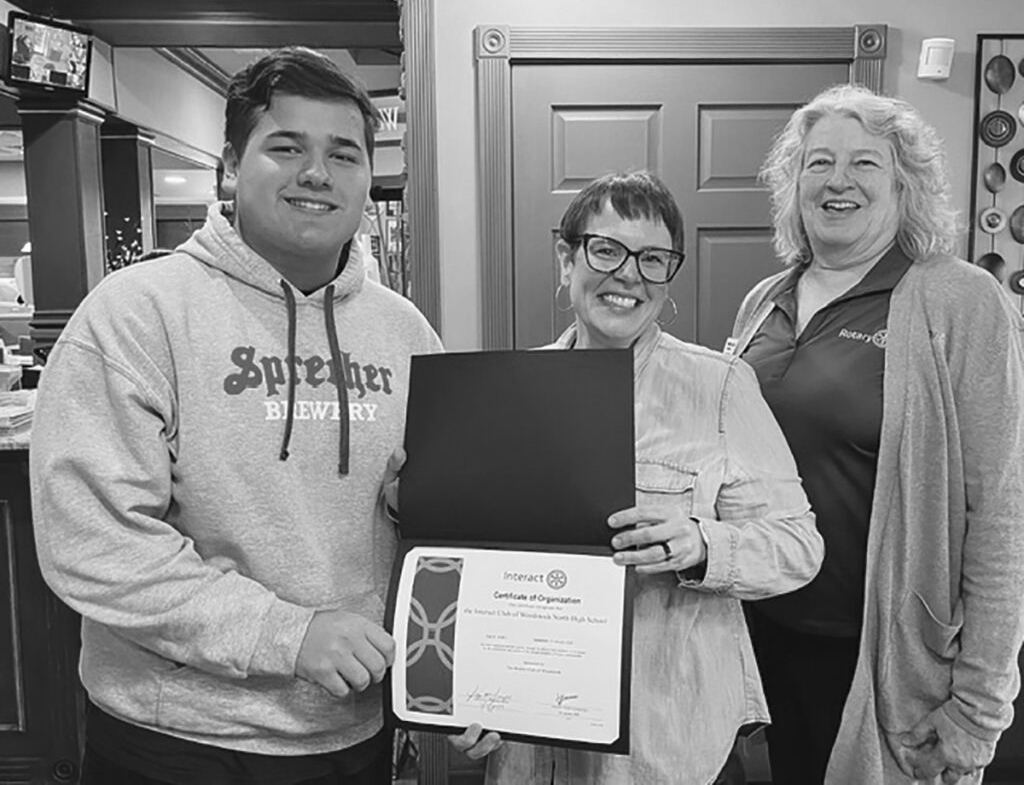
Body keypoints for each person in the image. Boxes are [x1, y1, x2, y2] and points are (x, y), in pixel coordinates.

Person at [30, 46, 442, 785]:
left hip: (354, 725)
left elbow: (445, 519)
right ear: (230, 163)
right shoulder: (135, 315)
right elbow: (93, 543)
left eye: (343, 154)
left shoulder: (406, 331)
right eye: (286, 146)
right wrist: (287, 634)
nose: (317, 172)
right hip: (177, 733)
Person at [453, 171, 825, 784]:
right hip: (535, 749)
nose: (629, 275)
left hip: (672, 743)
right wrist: (469, 691)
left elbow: (799, 546)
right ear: (566, 259)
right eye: (606, 250)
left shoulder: (721, 386)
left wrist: (703, 545)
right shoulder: (510, 393)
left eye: (653, 259)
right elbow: (474, 563)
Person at [730, 84, 1024, 784]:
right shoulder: (763, 301)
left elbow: (1003, 515)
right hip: (754, 645)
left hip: (882, 662)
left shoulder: (957, 300)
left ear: (904, 184)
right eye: (818, 162)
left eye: (865, 163)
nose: (838, 180)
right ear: (793, 184)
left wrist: (980, 705)